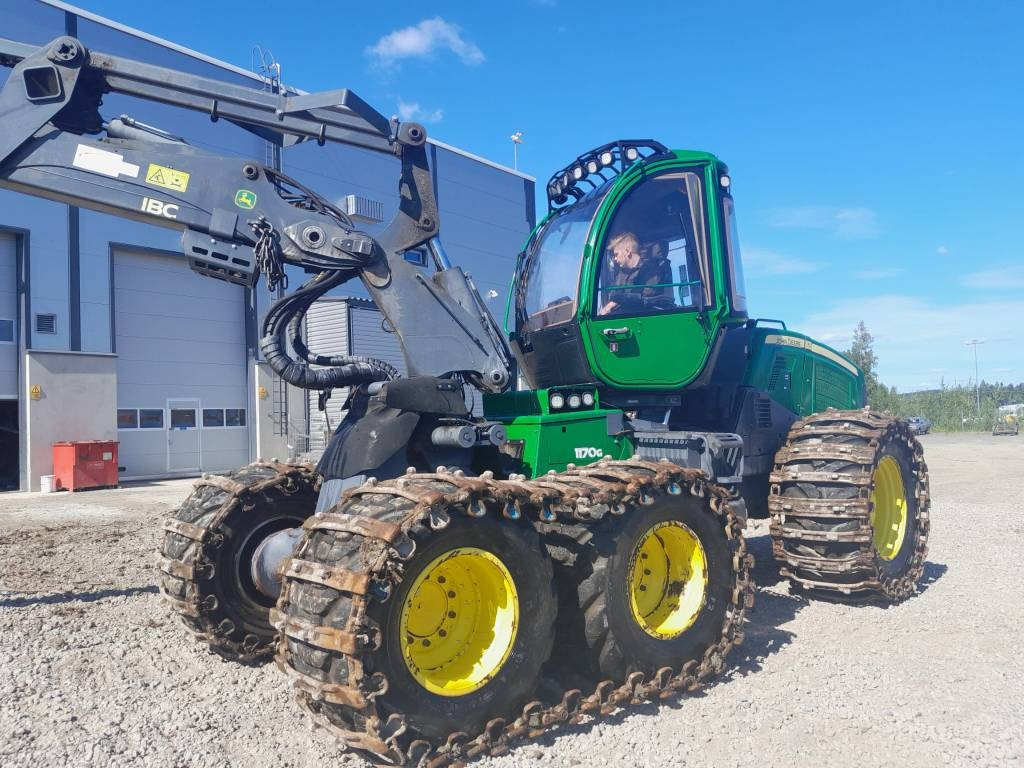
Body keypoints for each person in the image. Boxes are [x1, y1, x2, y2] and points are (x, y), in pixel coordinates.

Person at [598, 232, 674, 316]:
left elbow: (647, 297)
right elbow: (613, 295)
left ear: (627, 251)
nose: (615, 259)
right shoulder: (621, 274)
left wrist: (618, 300)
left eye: (616, 254)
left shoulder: (651, 270)